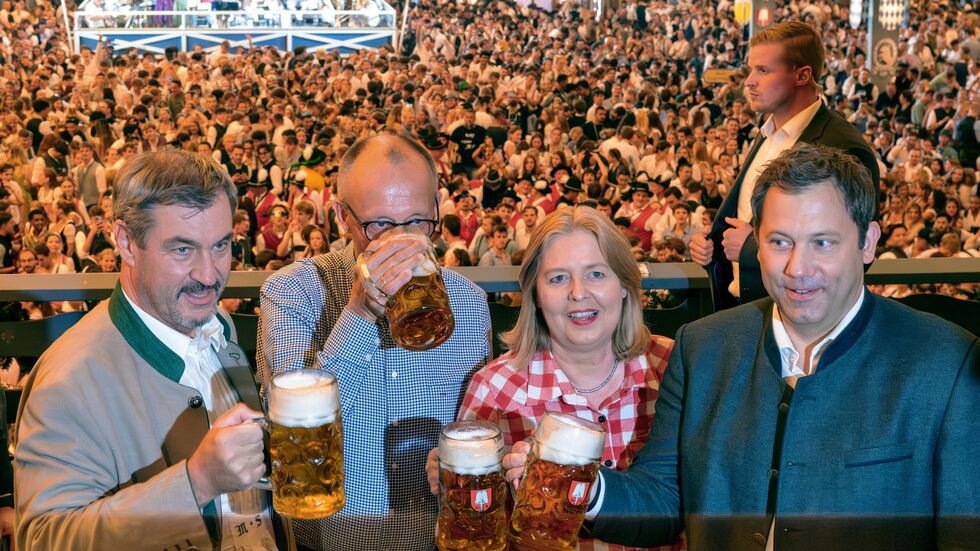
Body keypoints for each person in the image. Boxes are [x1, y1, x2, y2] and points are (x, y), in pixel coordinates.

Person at [503, 144, 979, 550]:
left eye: (824, 243)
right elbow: (665, 499)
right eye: (779, 241)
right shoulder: (703, 346)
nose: (797, 268)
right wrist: (583, 485)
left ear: (868, 242)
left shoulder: (946, 362)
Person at [15, 150, 294, 550]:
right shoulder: (68, 380)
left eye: (220, 246)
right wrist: (195, 482)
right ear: (127, 243)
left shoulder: (219, 326)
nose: (209, 275)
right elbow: (45, 540)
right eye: (182, 250)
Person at [258, 134, 492, 551]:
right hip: (329, 541)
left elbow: (476, 428)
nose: (400, 243)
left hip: (436, 540)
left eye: (419, 221)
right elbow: (290, 435)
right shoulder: (292, 292)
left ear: (438, 210)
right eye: (379, 224)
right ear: (342, 216)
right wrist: (360, 315)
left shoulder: (469, 303)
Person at [425, 206, 680, 551]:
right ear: (535, 295)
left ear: (624, 284)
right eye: (558, 278)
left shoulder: (672, 367)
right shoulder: (494, 389)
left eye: (596, 274)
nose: (578, 292)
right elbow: (471, 531)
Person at [689, 21, 880, 311]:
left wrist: (752, 250)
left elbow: (853, 253)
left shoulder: (842, 146)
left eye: (763, 70)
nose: (748, 81)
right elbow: (746, 222)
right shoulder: (766, 133)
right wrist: (711, 243)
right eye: (752, 69)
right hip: (746, 310)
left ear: (802, 75)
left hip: (798, 318)